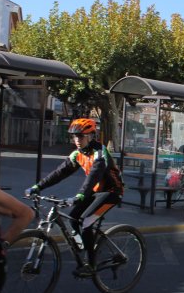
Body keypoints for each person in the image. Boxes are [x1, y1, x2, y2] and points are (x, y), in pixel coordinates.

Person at [25, 118, 124, 277]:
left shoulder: (100, 152)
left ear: (91, 136)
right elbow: (59, 173)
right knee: (73, 218)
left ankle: (91, 265)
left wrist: (79, 195)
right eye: (74, 136)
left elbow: (94, 174)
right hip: (93, 192)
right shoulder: (77, 154)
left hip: (112, 192)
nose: (77, 140)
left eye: (81, 136)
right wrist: (38, 187)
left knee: (85, 222)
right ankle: (83, 245)